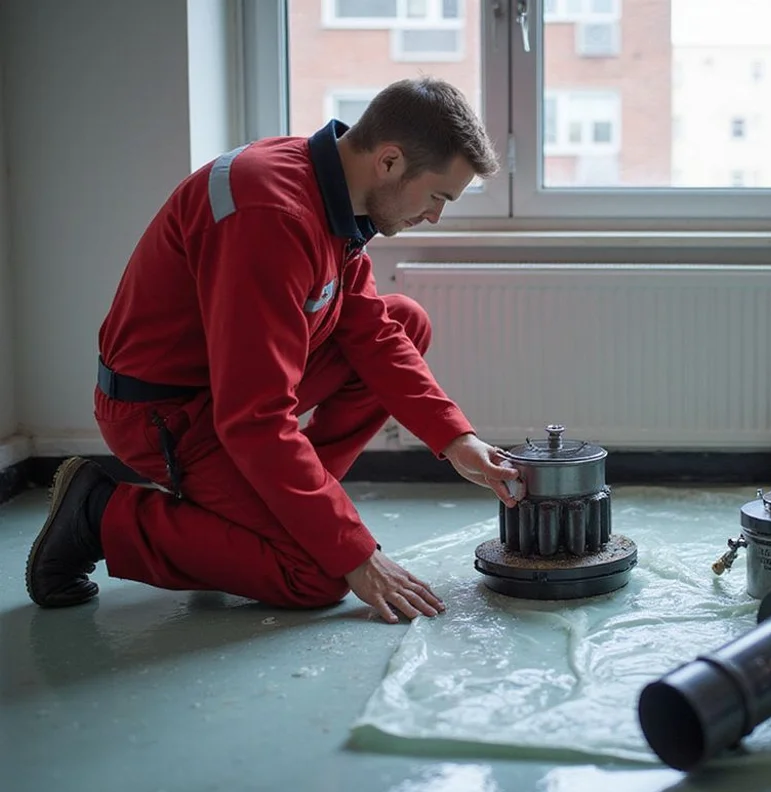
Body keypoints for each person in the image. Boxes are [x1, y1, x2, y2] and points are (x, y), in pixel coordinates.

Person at [24, 77, 521, 624]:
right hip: (167, 416)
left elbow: (369, 330)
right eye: (437, 196)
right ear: (389, 161)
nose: (435, 216)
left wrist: (456, 440)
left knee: (403, 321)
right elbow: (254, 419)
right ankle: (100, 514)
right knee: (319, 572)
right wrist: (352, 552)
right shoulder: (272, 216)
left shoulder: (329, 187)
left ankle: (277, 504)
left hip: (221, 391)